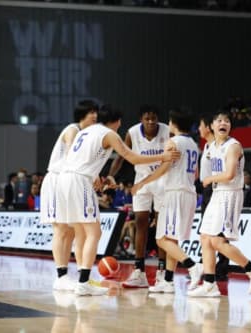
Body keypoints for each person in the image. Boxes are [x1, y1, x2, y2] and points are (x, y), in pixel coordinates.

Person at [56, 104, 180, 296]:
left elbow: (82, 159)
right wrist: (163, 156)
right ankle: (83, 282)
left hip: (64, 180)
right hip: (79, 181)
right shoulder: (109, 134)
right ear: (116, 121)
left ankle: (82, 277)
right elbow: (131, 157)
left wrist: (102, 177)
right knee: (93, 233)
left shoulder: (85, 132)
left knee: (80, 232)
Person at [188, 111, 251, 297]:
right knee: (205, 238)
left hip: (230, 194)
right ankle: (209, 284)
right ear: (212, 126)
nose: (223, 123)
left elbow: (230, 174)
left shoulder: (233, 146)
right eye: (219, 121)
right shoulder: (211, 146)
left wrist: (208, 179)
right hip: (217, 193)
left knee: (217, 241)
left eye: (227, 121)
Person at [130, 109, 204, 293]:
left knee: (161, 239)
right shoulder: (194, 144)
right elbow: (196, 174)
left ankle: (193, 266)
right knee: (172, 239)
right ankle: (168, 281)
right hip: (189, 193)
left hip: (174, 193)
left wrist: (142, 183)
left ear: (174, 124)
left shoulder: (173, 142)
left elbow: (162, 169)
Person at [40, 100, 99, 292]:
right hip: (57, 179)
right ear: (82, 114)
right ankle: (60, 275)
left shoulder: (85, 134)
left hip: (68, 181)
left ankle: (69, 274)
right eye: (91, 112)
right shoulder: (72, 130)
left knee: (72, 229)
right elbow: (76, 157)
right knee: (60, 228)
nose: (95, 116)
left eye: (96, 112)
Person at [109, 105, 170, 288]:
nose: (151, 122)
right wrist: (112, 175)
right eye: (147, 118)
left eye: (154, 118)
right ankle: (139, 271)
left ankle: (161, 272)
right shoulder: (132, 132)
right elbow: (120, 156)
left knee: (161, 227)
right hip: (141, 180)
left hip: (162, 180)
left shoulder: (167, 131)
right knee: (140, 223)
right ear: (141, 119)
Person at [198, 112, 230, 281]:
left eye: (201, 126)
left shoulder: (220, 147)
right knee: (207, 232)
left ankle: (222, 268)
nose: (198, 129)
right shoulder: (207, 146)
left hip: (216, 189)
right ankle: (208, 267)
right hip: (206, 190)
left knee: (219, 232)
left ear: (209, 127)